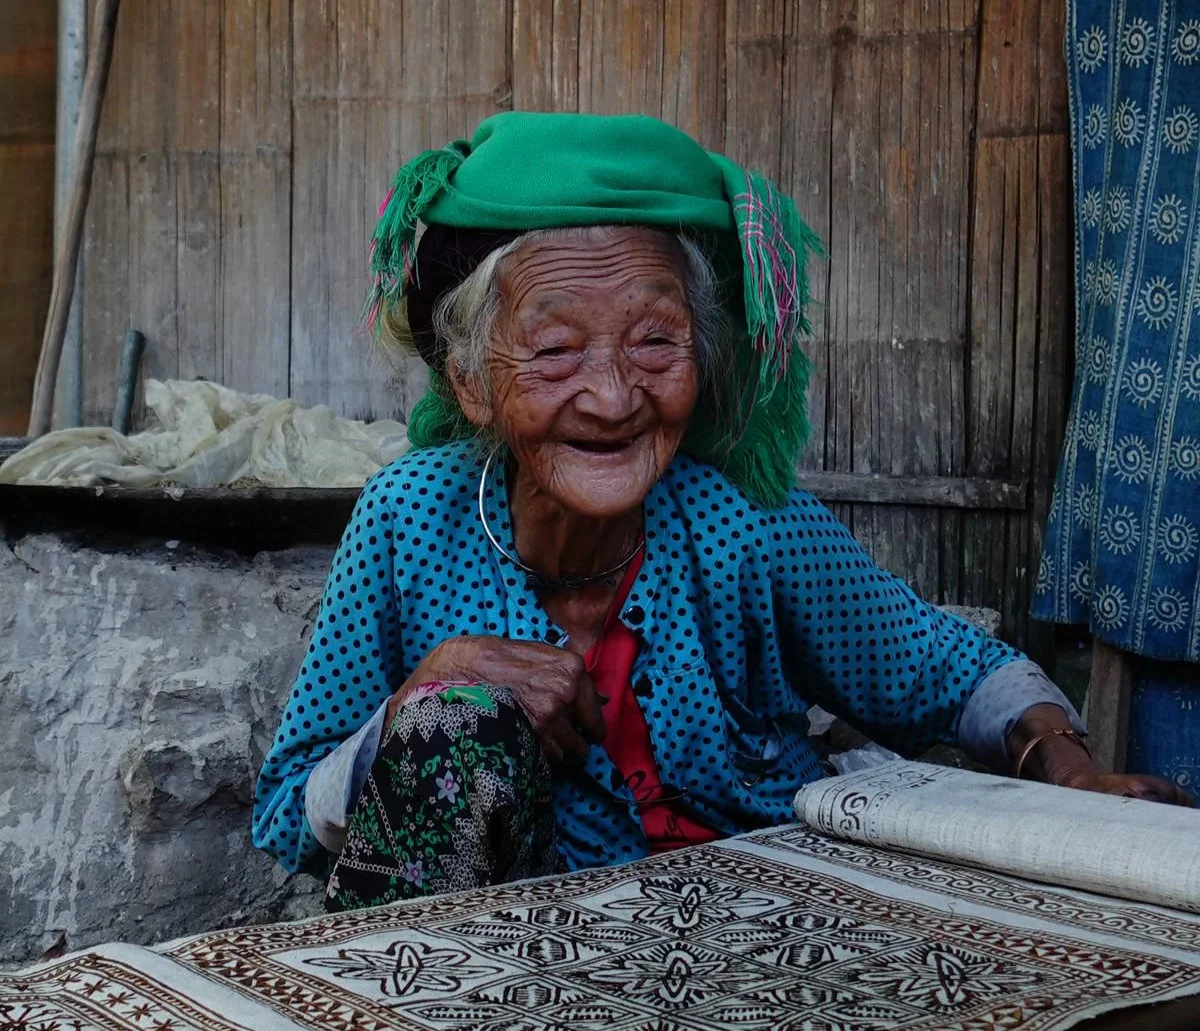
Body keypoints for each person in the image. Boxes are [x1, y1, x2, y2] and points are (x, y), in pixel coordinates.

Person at [252, 112, 1191, 913]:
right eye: (555, 351)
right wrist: (424, 697)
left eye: (656, 341)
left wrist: (1070, 770)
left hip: (751, 940)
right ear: (469, 382)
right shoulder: (409, 520)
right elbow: (285, 811)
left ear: (704, 360)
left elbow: (949, 669)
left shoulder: (744, 521)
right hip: (500, 966)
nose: (614, 396)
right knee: (450, 726)